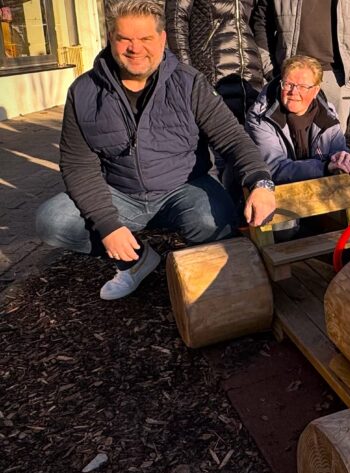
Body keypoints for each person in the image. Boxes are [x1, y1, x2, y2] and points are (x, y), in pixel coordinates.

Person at [35, 0, 277, 301]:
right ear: (111, 38)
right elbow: (77, 164)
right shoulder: (84, 92)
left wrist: (261, 181)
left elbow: (232, 138)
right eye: (125, 38)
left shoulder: (189, 82)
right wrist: (108, 225)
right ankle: (134, 263)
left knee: (218, 223)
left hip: (185, 188)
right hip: (121, 192)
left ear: (162, 39)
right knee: (52, 220)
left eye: (146, 38)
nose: (135, 48)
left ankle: (206, 279)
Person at [246, 55, 350, 238]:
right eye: (288, 84)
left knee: (346, 211)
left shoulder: (327, 115)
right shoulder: (260, 118)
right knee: (284, 226)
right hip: (275, 191)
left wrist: (343, 158)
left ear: (315, 90)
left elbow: (337, 148)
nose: (293, 91)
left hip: (314, 190)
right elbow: (274, 168)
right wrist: (325, 166)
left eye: (302, 87)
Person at [262, 0, 350, 132]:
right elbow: (262, 22)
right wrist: (269, 67)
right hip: (292, 77)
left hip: (337, 77)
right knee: (288, 140)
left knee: (334, 144)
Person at [165, 0, 270, 125]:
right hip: (211, 66)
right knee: (216, 129)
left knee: (249, 131)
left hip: (250, 70)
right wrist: (186, 71)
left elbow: (258, 22)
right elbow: (176, 22)